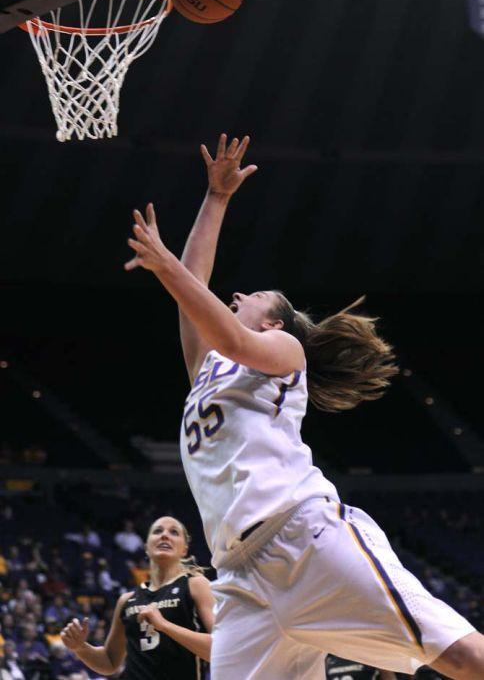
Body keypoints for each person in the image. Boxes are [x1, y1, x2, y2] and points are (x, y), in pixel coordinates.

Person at [124, 133, 484, 680]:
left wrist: (165, 266)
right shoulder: (207, 370)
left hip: (304, 539)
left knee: (462, 658)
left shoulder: (283, 353)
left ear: (274, 321)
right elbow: (194, 287)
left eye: (251, 297)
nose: (235, 297)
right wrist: (216, 200)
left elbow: (222, 324)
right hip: (240, 578)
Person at [61, 516, 214, 680]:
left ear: (184, 549)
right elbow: (110, 662)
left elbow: (220, 647)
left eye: (174, 532)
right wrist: (80, 648)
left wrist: (164, 625)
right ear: (146, 546)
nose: (164, 535)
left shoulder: (196, 585)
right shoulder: (127, 600)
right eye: (157, 531)